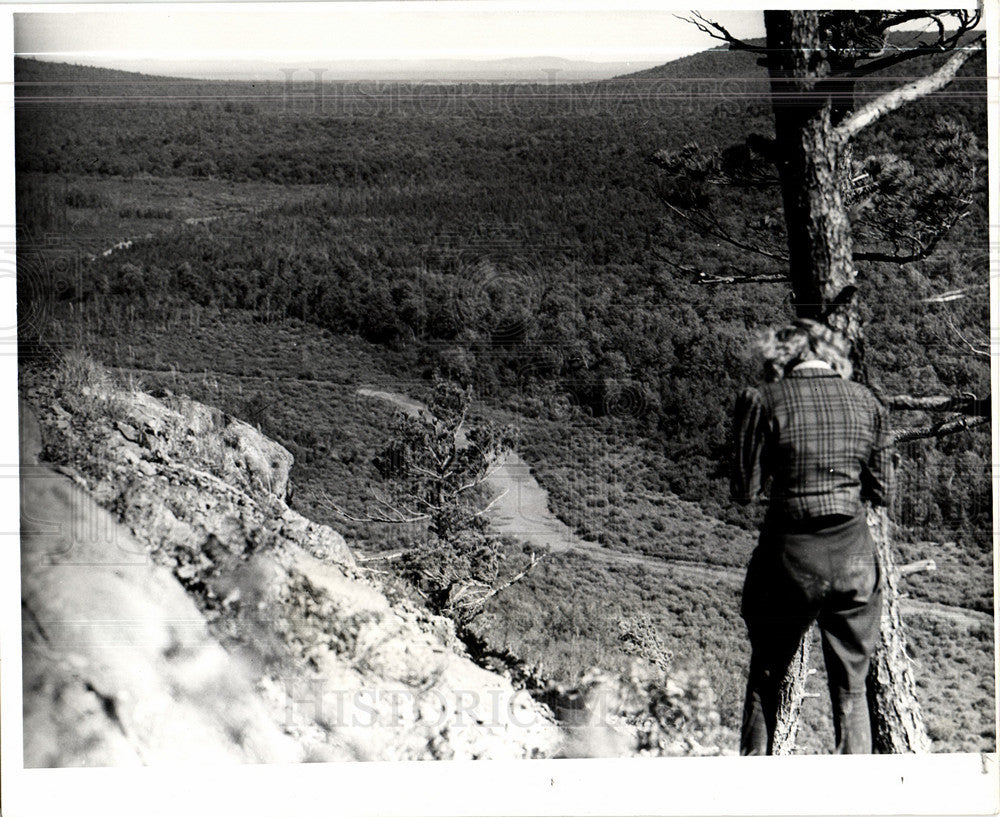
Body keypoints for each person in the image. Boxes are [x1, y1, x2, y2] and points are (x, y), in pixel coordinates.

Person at [731, 318, 894, 755]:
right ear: (830, 354)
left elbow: (744, 490)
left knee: (767, 678)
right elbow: (883, 492)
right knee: (852, 690)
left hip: (788, 560)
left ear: (781, 356)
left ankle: (753, 793)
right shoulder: (867, 402)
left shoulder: (764, 400)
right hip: (854, 558)